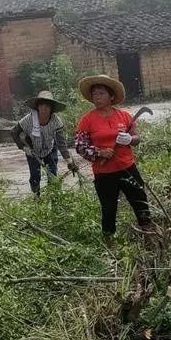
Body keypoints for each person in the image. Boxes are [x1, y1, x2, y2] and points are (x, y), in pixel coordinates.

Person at [73, 74, 152, 237]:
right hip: (104, 174)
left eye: (101, 93)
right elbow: (80, 146)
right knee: (108, 209)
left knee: (140, 203)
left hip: (127, 168)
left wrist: (130, 139)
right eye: (94, 94)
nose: (97, 97)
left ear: (111, 96)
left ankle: (150, 235)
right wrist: (99, 152)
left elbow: (137, 138)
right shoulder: (87, 120)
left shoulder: (124, 116)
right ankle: (110, 243)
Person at [11, 89, 78, 195]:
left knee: (52, 174)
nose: (44, 108)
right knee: (35, 176)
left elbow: (61, 143)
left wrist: (69, 161)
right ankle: (36, 198)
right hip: (32, 150)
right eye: (41, 105)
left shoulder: (56, 122)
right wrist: (23, 147)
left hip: (49, 149)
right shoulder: (28, 120)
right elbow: (14, 132)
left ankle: (55, 197)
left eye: (47, 106)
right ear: (37, 106)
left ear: (51, 108)